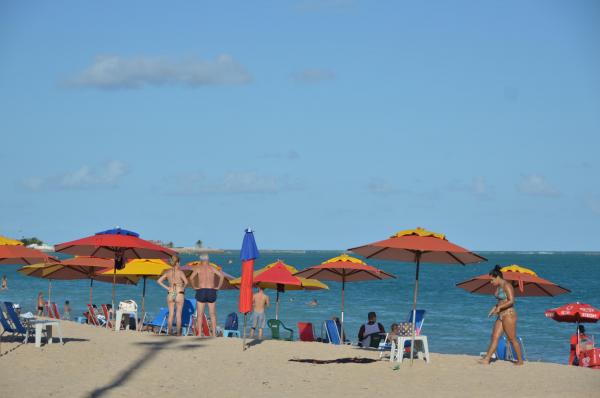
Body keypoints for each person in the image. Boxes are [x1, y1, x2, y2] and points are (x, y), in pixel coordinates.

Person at [479, 265, 524, 365]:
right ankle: (487, 359)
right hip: (501, 314)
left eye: (492, 280)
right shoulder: (499, 286)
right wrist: (494, 308)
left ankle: (520, 361)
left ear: (497, 277)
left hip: (509, 314)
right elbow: (500, 300)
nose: (491, 282)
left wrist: (499, 308)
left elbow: (511, 301)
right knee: (494, 336)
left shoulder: (507, 285)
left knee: (512, 338)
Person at [188, 253, 224, 337]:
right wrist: (218, 286)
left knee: (200, 314)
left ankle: (200, 333)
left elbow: (191, 278)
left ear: (201, 260)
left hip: (201, 290)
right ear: (208, 260)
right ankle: (214, 334)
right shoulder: (212, 268)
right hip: (211, 290)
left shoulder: (198, 268)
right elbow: (222, 276)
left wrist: (194, 287)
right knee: (212, 314)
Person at [157, 257, 188, 335]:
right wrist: (183, 288)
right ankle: (178, 333)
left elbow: (159, 281)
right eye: (179, 262)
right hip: (179, 293)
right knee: (178, 314)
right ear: (177, 263)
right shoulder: (180, 272)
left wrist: (167, 288)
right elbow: (186, 282)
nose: (180, 264)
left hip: (171, 293)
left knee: (170, 314)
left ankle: (169, 332)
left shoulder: (168, 272)